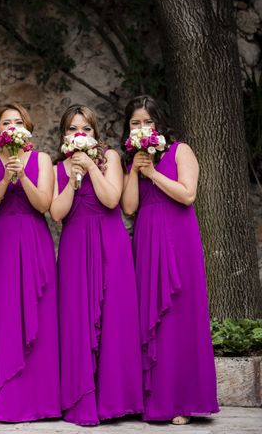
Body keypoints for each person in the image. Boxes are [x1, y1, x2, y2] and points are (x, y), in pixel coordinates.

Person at [120, 95, 218, 425]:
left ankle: (184, 402)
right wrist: (135, 169)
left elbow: (188, 194)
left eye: (148, 121)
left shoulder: (181, 151)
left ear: (159, 124)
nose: (142, 127)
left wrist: (153, 174)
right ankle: (155, 399)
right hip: (147, 238)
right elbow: (129, 207)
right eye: (135, 123)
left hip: (179, 238)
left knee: (181, 314)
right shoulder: (131, 161)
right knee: (151, 315)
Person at [50, 104, 143, 426]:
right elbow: (57, 213)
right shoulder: (57, 167)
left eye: (86, 129)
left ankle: (117, 399)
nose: (80, 134)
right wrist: (72, 180)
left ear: (95, 133)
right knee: (78, 318)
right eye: (73, 129)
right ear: (64, 135)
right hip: (76, 246)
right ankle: (81, 398)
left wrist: (91, 167)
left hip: (110, 241)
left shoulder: (111, 158)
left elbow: (111, 200)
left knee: (115, 316)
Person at [0, 103, 60, 421]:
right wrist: (5, 179)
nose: (11, 126)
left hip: (34, 238)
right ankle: (3, 397)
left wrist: (22, 175)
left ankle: (40, 400)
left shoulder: (42, 160)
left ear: (28, 128)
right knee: (2, 314)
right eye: (5, 122)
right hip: (1, 242)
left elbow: (43, 204)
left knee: (39, 313)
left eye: (17, 121)